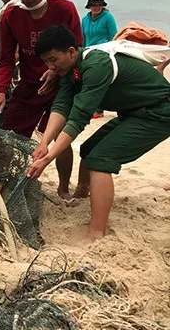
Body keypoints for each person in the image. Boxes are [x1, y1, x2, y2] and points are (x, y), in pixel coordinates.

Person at [27, 25, 170, 242]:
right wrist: (44, 142)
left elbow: (78, 118)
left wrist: (48, 158)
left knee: (100, 159)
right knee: (89, 148)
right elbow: (62, 106)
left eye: (53, 59)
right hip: (132, 112)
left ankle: (97, 233)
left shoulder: (96, 65)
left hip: (159, 112)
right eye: (46, 61)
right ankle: (83, 194)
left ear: (72, 52)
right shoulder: (69, 70)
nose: (50, 66)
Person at [0, 0, 83, 201]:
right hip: (30, 85)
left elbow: (78, 49)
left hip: (62, 84)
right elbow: (7, 58)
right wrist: (1, 91)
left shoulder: (65, 8)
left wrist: (55, 70)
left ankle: (63, 188)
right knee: (9, 136)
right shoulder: (11, 15)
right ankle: (6, 185)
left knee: (61, 138)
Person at [82, 0, 118, 119]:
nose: (96, 7)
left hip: (104, 52)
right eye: (93, 5)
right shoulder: (85, 19)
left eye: (99, 4)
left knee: (99, 80)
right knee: (87, 80)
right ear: (89, 6)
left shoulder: (108, 17)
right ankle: (90, 107)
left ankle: (99, 109)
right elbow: (83, 38)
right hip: (88, 52)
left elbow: (114, 36)